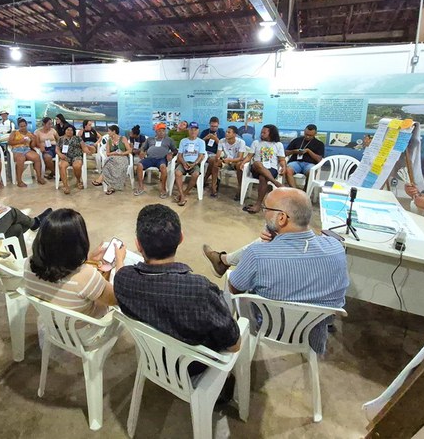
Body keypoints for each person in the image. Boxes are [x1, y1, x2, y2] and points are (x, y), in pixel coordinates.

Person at [213, 187, 349, 355]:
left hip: (268, 328)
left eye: (266, 209)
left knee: (232, 277)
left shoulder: (257, 254)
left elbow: (235, 289)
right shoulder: (336, 248)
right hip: (313, 331)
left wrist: (269, 245)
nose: (263, 213)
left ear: (282, 218)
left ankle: (225, 335)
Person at [114, 204, 241, 378]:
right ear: (181, 238)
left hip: (151, 356)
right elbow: (233, 345)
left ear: (138, 244)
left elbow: (121, 273)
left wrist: (119, 260)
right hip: (193, 365)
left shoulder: (123, 280)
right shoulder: (199, 290)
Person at [24, 208, 120, 318]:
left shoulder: (28, 264)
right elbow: (115, 299)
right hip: (85, 329)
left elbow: (58, 265)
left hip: (51, 323)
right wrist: (116, 265)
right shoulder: (86, 276)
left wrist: (90, 260)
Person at [239, 124, 286, 213]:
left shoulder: (278, 145)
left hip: (271, 169)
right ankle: (275, 182)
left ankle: (258, 204)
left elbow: (282, 160)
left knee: (263, 177)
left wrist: (284, 167)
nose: (262, 134)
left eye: (264, 132)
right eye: (261, 132)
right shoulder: (256, 143)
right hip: (256, 168)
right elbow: (249, 156)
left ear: (271, 134)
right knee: (257, 163)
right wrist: (243, 163)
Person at [134, 123, 176, 197]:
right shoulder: (150, 139)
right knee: (139, 165)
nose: (162, 132)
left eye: (163, 131)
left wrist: (171, 154)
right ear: (156, 131)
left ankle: (163, 189)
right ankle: (141, 187)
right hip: (150, 158)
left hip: (161, 159)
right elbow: (143, 148)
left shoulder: (169, 140)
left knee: (163, 167)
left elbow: (175, 150)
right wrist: (142, 151)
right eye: (159, 131)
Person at [91, 125, 131, 195]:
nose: (108, 132)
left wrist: (122, 153)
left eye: (109, 131)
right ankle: (111, 186)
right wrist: (114, 153)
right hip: (113, 158)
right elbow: (108, 153)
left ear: (114, 131)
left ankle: (101, 180)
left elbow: (129, 150)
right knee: (109, 165)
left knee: (113, 165)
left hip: (123, 158)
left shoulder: (123, 138)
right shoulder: (109, 141)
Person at [173, 122, 206, 207]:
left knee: (195, 174)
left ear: (198, 131)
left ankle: (184, 193)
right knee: (177, 173)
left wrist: (195, 163)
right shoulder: (183, 141)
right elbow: (179, 155)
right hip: (184, 162)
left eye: (195, 130)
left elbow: (201, 155)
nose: (193, 131)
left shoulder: (201, 142)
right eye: (191, 129)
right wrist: (184, 163)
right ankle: (182, 196)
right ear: (188, 130)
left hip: (195, 164)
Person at [209, 125, 246, 198]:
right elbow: (218, 154)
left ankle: (240, 188)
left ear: (234, 134)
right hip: (225, 161)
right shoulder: (221, 141)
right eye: (226, 132)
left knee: (239, 165)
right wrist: (218, 158)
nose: (226, 133)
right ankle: (214, 186)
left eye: (229, 132)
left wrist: (230, 160)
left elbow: (240, 157)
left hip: (235, 162)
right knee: (215, 162)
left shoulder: (241, 142)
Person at [8, 117, 46, 187]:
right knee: (21, 159)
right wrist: (20, 141)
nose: (23, 127)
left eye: (24, 126)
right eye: (21, 126)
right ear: (18, 126)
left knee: (37, 157)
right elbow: (9, 142)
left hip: (26, 149)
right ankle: (19, 181)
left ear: (26, 125)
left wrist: (33, 140)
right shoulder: (14, 132)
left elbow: (32, 145)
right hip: (17, 149)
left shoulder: (29, 134)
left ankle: (39, 177)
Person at [285, 124, 325, 189]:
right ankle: (295, 191)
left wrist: (308, 151)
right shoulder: (297, 140)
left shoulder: (319, 144)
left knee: (311, 172)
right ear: (304, 131)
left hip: (310, 164)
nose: (308, 137)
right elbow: (285, 153)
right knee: (288, 170)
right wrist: (294, 151)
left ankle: (305, 191)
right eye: (306, 134)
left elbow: (319, 160)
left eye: (310, 135)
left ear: (315, 134)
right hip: (296, 162)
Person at [56, 124, 85, 194]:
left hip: (76, 156)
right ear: (65, 131)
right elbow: (57, 149)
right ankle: (65, 186)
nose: (69, 131)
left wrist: (88, 150)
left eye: (71, 130)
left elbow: (84, 147)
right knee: (61, 165)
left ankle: (78, 181)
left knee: (77, 165)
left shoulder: (78, 138)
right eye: (68, 130)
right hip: (65, 157)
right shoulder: (60, 139)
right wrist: (60, 154)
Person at [200, 116, 225, 192]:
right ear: (209, 125)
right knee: (212, 161)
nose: (214, 128)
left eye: (215, 126)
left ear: (218, 125)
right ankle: (213, 183)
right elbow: (199, 143)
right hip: (205, 152)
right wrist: (205, 138)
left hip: (216, 153)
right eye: (212, 126)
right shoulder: (205, 132)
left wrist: (216, 139)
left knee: (213, 160)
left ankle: (205, 179)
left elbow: (224, 146)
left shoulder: (221, 132)